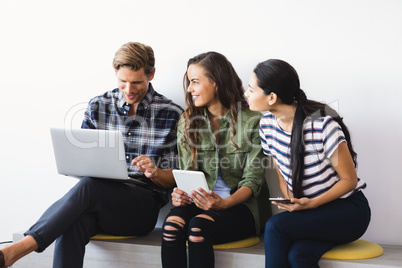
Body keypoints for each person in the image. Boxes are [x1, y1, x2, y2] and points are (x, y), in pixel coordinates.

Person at [0, 42, 183, 268]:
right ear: (115, 74)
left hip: (142, 207)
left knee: (89, 187)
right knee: (73, 222)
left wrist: (154, 172)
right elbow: (81, 160)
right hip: (98, 198)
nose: (129, 89)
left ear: (151, 75)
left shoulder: (172, 114)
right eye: (122, 81)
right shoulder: (99, 105)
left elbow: (177, 177)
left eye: (136, 82)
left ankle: (18, 250)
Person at [245, 59, 371, 268]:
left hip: (349, 211)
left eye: (251, 89)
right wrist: (290, 198)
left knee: (276, 226)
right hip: (313, 214)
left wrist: (311, 204)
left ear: (272, 97)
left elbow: (349, 180)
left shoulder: (322, 124)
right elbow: (280, 169)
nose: (246, 94)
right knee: (299, 255)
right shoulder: (266, 125)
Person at [161, 51, 270, 268]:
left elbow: (252, 180)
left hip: (240, 206)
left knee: (197, 229)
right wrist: (180, 194)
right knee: (172, 227)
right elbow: (187, 174)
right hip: (199, 202)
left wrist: (223, 203)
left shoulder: (253, 120)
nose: (189, 89)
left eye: (195, 82)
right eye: (189, 82)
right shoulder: (188, 121)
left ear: (216, 82)